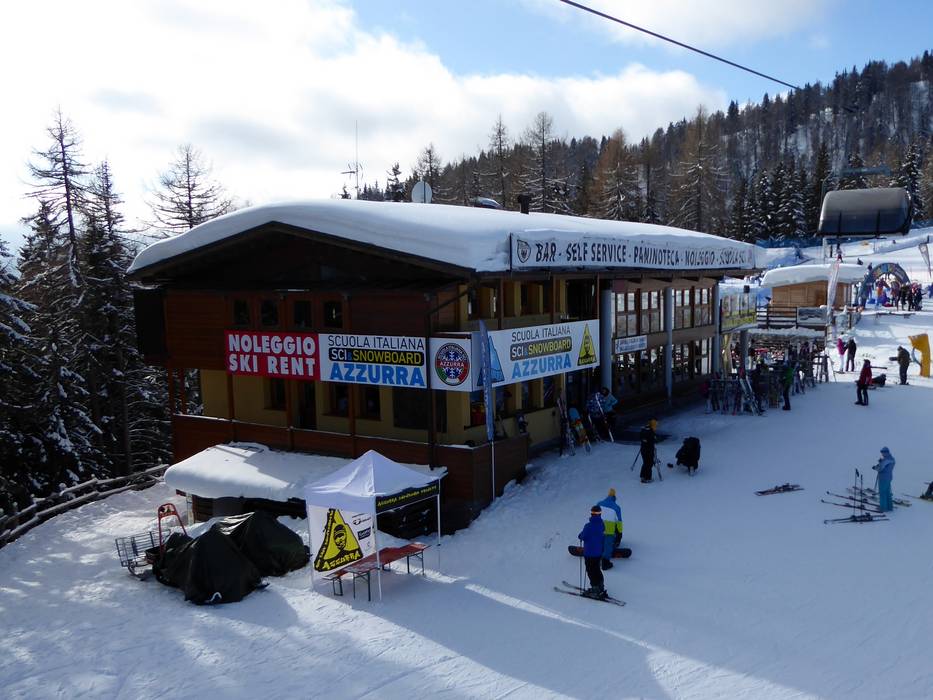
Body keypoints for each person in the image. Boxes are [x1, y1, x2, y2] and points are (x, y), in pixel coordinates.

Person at [578, 505, 608, 598]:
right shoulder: (602, 524)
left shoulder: (588, 526)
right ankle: (600, 586)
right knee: (597, 569)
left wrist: (580, 536)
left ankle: (595, 588)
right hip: (598, 552)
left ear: (591, 514)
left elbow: (583, 536)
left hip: (589, 553)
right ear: (600, 514)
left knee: (590, 570)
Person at [596, 488, 623, 570]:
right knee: (608, 545)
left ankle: (596, 557)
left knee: (599, 542)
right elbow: (619, 522)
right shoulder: (616, 507)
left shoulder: (599, 503)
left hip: (599, 528)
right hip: (609, 530)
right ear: (614, 498)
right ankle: (605, 563)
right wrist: (620, 533)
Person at [873, 447, 895, 512]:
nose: (882, 454)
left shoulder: (886, 460)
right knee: (887, 492)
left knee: (882, 493)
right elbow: (885, 467)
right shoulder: (892, 459)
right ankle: (889, 507)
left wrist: (875, 467)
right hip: (889, 477)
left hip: (883, 478)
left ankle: (883, 508)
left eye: (883, 452)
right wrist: (881, 462)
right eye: (881, 452)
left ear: (886, 452)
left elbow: (880, 468)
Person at [639, 418, 658, 483]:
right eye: (655, 424)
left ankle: (643, 475)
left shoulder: (644, 429)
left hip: (643, 449)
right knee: (649, 463)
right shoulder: (650, 431)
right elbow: (654, 440)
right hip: (648, 449)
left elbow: (641, 437)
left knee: (645, 462)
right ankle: (647, 478)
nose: (656, 426)